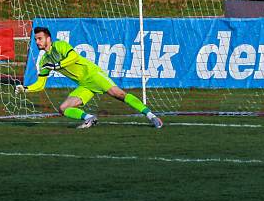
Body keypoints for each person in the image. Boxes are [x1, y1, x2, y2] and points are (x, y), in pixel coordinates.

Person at [16, 26, 163, 129]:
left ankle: (151, 116)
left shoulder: (60, 45)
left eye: (40, 38)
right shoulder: (44, 61)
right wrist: (25, 88)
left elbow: (73, 57)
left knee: (119, 94)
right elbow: (41, 84)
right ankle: (89, 118)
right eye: (35, 39)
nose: (37, 42)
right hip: (84, 84)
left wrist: (56, 66)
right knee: (63, 108)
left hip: (93, 75)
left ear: (48, 38)